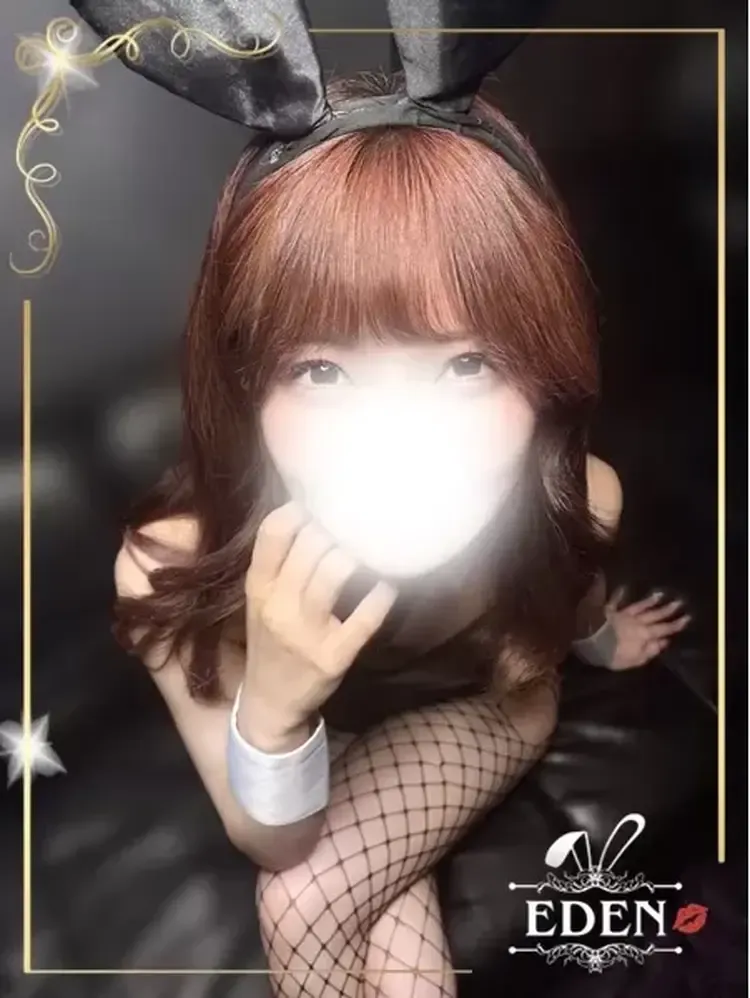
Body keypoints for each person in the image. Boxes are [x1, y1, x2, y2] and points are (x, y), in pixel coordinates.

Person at [109, 71, 692, 997]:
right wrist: (276, 710)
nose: (399, 437)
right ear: (246, 384)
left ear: (542, 372)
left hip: (486, 703)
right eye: (322, 370)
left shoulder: (582, 494)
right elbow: (274, 835)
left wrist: (598, 638)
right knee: (312, 894)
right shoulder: (168, 563)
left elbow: (569, 586)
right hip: (325, 740)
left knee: (299, 902)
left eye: (466, 364)